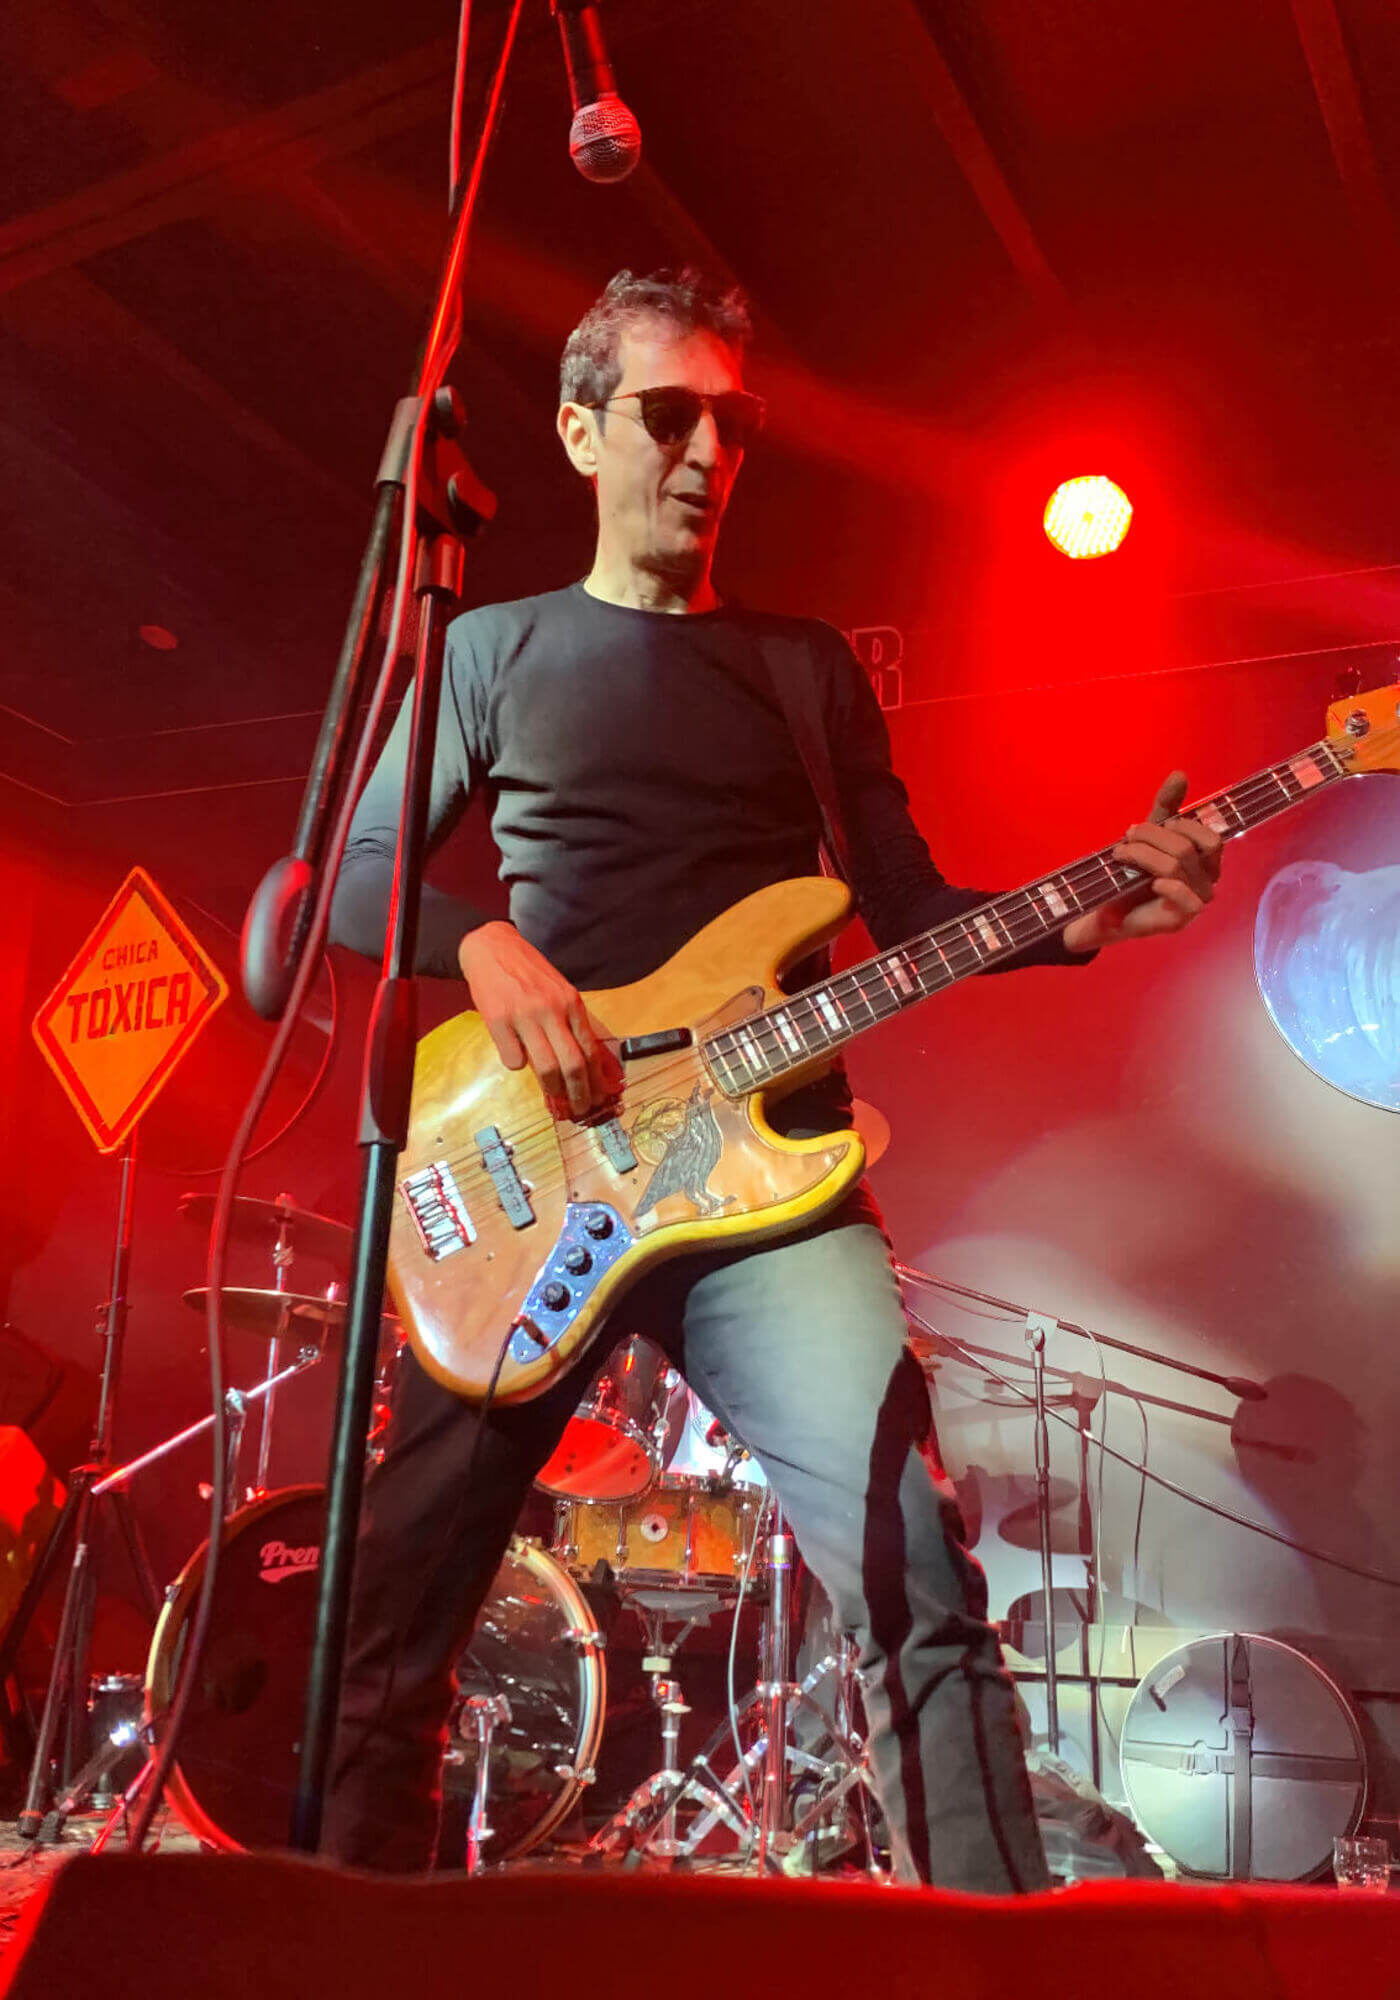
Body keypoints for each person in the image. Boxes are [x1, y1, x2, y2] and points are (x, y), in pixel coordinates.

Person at [323, 268, 1223, 1890]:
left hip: (773, 1180)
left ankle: (988, 1958)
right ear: (581, 431)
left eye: (732, 425)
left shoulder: (804, 668)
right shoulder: (493, 649)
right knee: (388, 1615)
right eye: (670, 417)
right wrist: (485, 948)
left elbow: (913, 909)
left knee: (915, 1577)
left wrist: (1091, 918)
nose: (706, 454)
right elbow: (354, 874)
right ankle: (334, 1945)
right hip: (543, 1166)